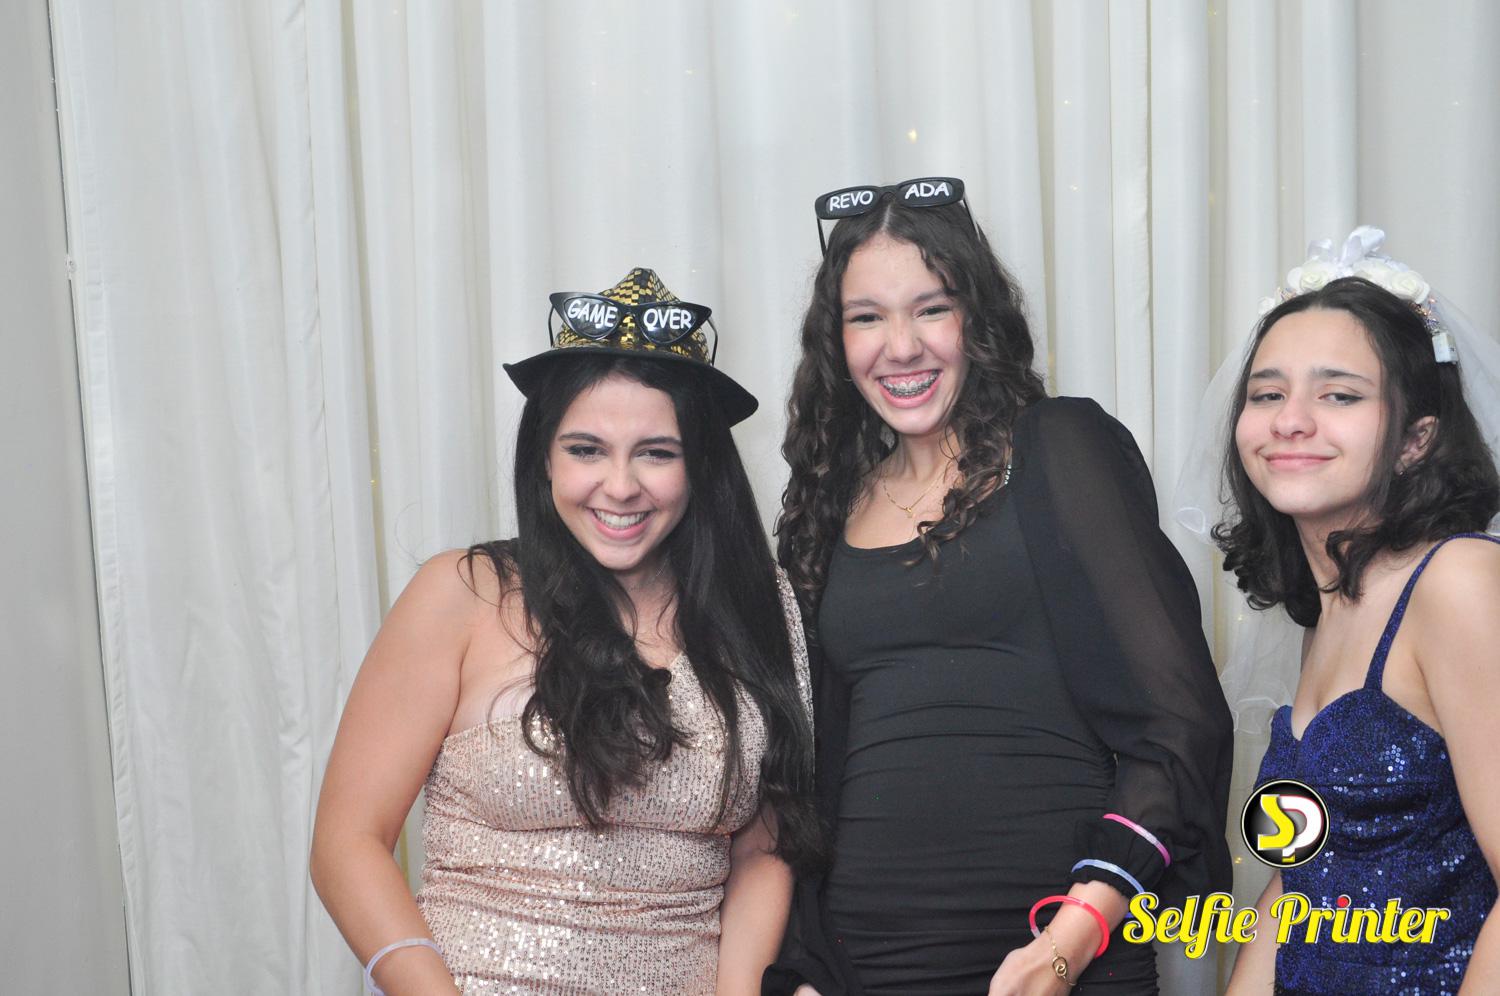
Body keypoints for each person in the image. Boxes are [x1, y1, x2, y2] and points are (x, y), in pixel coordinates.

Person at [765, 177, 1234, 996]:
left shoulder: (1058, 448)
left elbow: (1180, 721)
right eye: (867, 317)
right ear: (835, 341)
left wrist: (1070, 941)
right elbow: (808, 775)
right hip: (870, 962)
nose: (900, 346)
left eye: (931, 308)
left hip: (1057, 950)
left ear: (975, 317)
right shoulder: (828, 505)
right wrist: (807, 970)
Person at [311, 267, 819, 995]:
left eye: (657, 452)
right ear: (544, 457)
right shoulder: (463, 593)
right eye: (586, 449)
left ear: (701, 465)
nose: (621, 485)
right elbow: (347, 843)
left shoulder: (761, 608)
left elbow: (765, 845)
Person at [1198, 230, 1500, 995]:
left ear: (1416, 439)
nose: (1290, 420)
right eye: (1267, 394)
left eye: (1339, 395)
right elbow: (1296, 884)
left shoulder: (1458, 582)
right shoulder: (1326, 610)